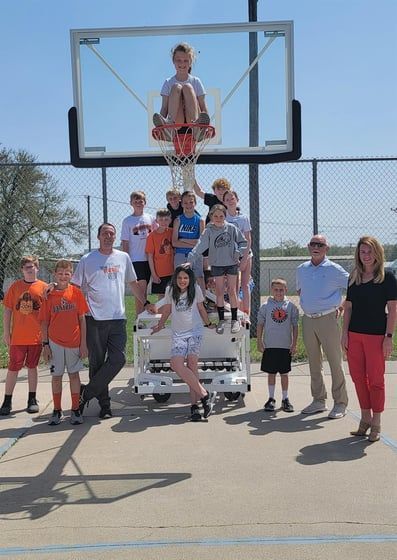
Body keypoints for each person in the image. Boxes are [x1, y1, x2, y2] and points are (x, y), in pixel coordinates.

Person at [75, 223, 156, 419]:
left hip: (118, 318)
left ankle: (85, 393)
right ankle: (105, 406)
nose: (108, 236)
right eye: (105, 233)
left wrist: (145, 301)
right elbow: (76, 289)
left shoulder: (123, 257)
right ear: (98, 236)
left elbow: (133, 284)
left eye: (112, 234)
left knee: (118, 359)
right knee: (97, 363)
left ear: (115, 238)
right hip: (94, 318)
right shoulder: (87, 259)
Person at [341, 236, 397, 442]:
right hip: (354, 336)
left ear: (377, 253)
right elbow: (348, 308)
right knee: (358, 379)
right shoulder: (354, 277)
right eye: (362, 252)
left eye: (370, 251)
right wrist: (344, 333)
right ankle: (365, 419)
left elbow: (393, 309)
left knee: (375, 380)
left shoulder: (387, 277)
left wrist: (388, 337)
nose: (366, 255)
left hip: (376, 337)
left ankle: (377, 422)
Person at [151, 266, 215, 421]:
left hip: (195, 331)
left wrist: (208, 324)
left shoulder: (195, 289)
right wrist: (160, 325)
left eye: (185, 278)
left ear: (190, 279)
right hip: (178, 333)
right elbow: (166, 310)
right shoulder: (170, 290)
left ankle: (195, 407)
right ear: (175, 278)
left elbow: (200, 308)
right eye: (179, 278)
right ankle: (205, 395)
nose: (182, 281)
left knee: (193, 365)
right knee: (176, 364)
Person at [296, 234, 349, 418]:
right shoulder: (301, 269)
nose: (316, 247)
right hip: (308, 320)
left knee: (335, 362)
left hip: (328, 319)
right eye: (313, 244)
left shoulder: (334, 269)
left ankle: (340, 403)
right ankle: (318, 400)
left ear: (327, 248)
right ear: (308, 246)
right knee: (314, 363)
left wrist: (341, 306)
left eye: (320, 244)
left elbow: (354, 287)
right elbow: (300, 290)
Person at [39, 259, 88, 426]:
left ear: (71, 275)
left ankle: (75, 409)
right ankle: (57, 410)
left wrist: (83, 343)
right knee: (56, 376)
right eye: (60, 273)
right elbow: (44, 322)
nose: (63, 276)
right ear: (55, 274)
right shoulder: (49, 295)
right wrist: (45, 345)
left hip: (74, 342)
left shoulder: (76, 293)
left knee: (74, 375)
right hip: (55, 343)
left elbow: (82, 319)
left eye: (67, 273)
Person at [188, 204, 248, 335]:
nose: (218, 218)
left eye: (221, 216)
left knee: (232, 291)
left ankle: (234, 320)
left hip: (231, 263)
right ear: (211, 217)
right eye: (215, 216)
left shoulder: (232, 228)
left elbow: (243, 242)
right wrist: (190, 259)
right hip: (217, 265)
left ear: (225, 216)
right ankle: (221, 320)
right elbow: (200, 246)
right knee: (219, 292)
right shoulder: (208, 231)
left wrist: (238, 252)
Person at [0, 256, 47, 416]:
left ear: (37, 268)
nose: (29, 269)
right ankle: (7, 400)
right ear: (22, 269)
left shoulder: (43, 287)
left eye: (32, 266)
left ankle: (32, 399)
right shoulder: (15, 287)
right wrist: (6, 332)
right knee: (13, 368)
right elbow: (7, 310)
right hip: (18, 337)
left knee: (32, 367)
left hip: (36, 337)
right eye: (26, 267)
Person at [257, 278, 299, 413]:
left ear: (286, 290)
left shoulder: (291, 306)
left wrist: (294, 343)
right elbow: (260, 324)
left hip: (285, 346)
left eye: (281, 290)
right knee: (271, 373)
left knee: (284, 373)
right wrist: (259, 340)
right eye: (276, 290)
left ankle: (285, 399)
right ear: (271, 290)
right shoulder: (265, 306)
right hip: (270, 345)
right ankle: (271, 398)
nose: (279, 292)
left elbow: (295, 326)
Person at [153, 42, 209, 140]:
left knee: (187, 87)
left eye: (185, 60)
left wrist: (207, 127)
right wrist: (160, 128)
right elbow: (164, 108)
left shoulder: (196, 81)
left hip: (192, 123)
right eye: (178, 60)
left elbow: (203, 107)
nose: (182, 63)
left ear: (190, 62)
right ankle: (168, 130)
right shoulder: (168, 82)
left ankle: (197, 130)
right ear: (173, 61)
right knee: (176, 87)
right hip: (176, 125)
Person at [121, 191, 157, 316]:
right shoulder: (127, 221)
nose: (138, 203)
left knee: (144, 290)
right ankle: (139, 318)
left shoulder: (151, 218)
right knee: (140, 289)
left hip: (150, 259)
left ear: (145, 203)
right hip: (136, 259)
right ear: (131, 203)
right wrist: (126, 260)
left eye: (140, 201)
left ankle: (142, 318)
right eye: (135, 201)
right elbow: (125, 242)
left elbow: (157, 237)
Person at [223, 190, 252, 317]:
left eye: (232, 198)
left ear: (237, 200)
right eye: (227, 199)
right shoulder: (222, 217)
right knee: (233, 287)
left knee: (245, 285)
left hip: (244, 253)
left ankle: (246, 313)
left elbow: (248, 238)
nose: (230, 201)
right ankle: (237, 313)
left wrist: (244, 258)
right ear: (224, 202)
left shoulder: (243, 218)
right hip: (230, 256)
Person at [173, 190, 206, 294]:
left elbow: (202, 243)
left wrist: (183, 239)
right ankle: (180, 304)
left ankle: (202, 302)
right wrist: (193, 242)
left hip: (195, 254)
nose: (188, 205)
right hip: (180, 254)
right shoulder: (178, 220)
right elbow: (174, 242)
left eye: (191, 202)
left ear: (195, 203)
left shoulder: (200, 220)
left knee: (199, 278)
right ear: (181, 204)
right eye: (185, 202)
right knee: (180, 279)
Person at [145, 208, 174, 300]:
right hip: (159, 272)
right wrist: (153, 274)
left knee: (173, 297)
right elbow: (150, 256)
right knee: (161, 298)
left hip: (173, 270)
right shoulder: (151, 236)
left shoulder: (172, 232)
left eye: (166, 219)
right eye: (161, 219)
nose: (163, 222)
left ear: (170, 220)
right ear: (156, 220)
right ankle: (162, 314)